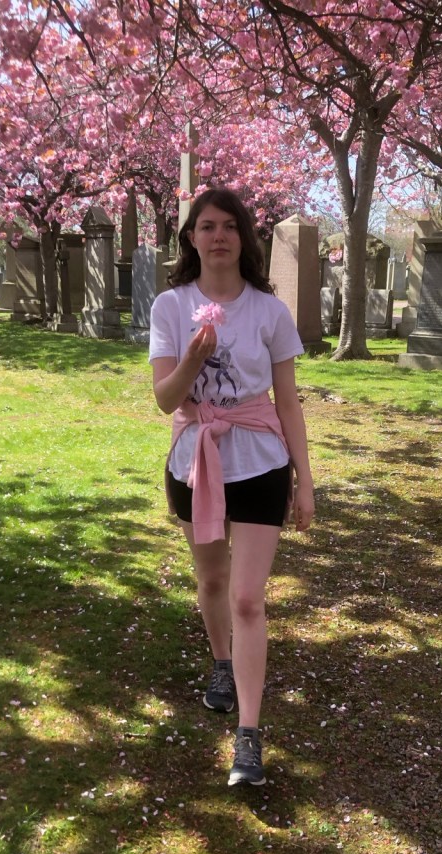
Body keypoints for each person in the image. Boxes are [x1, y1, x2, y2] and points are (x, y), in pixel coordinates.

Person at [149, 187, 314, 787]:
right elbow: (166, 397)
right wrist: (194, 358)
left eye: (229, 226)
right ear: (191, 238)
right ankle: (221, 661)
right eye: (206, 226)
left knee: (248, 597)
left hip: (262, 460)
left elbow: (289, 401)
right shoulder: (171, 306)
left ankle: (248, 733)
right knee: (212, 580)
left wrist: (305, 480)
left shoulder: (270, 312)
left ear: (244, 238)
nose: (218, 236)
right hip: (197, 458)